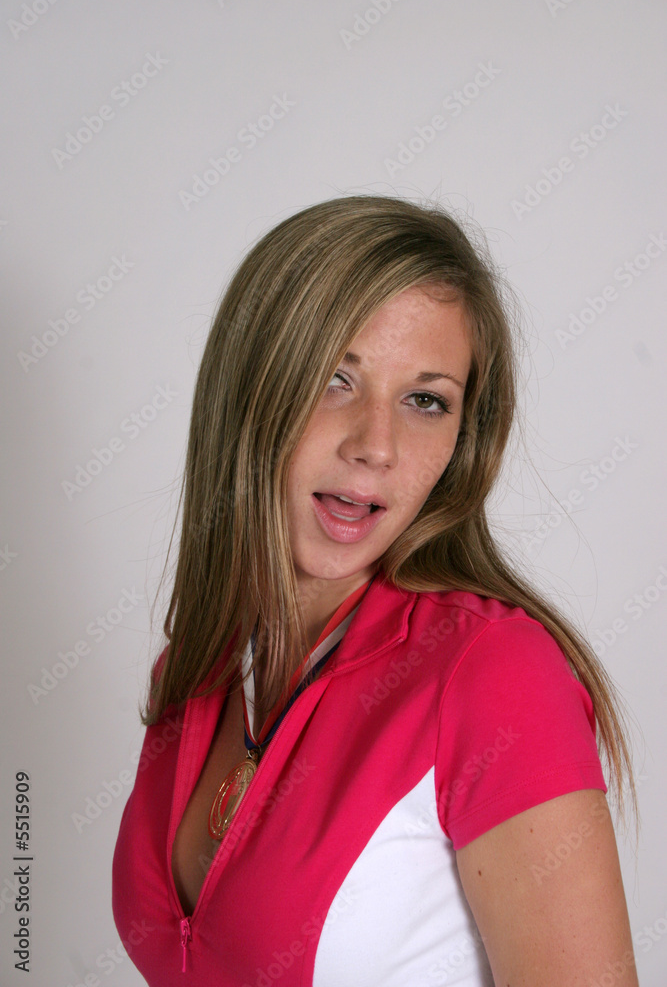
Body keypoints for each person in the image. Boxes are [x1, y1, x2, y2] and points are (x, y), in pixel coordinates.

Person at [112, 194, 640, 986]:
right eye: (335, 380)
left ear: (463, 441)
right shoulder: (195, 670)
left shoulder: (494, 673)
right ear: (248, 389)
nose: (377, 446)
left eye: (425, 400)